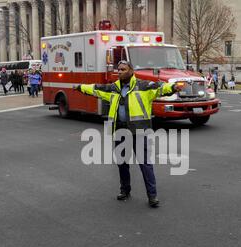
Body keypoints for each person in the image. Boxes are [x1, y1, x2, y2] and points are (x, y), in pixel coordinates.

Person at [74, 60, 185, 208]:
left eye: (123, 69)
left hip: (139, 131)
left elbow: (161, 88)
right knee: (122, 164)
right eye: (118, 69)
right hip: (120, 131)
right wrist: (80, 87)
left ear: (131, 71)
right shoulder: (113, 88)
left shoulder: (144, 86)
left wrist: (173, 87)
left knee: (145, 164)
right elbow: (95, 88)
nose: (119, 72)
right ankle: (125, 191)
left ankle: (152, 196)